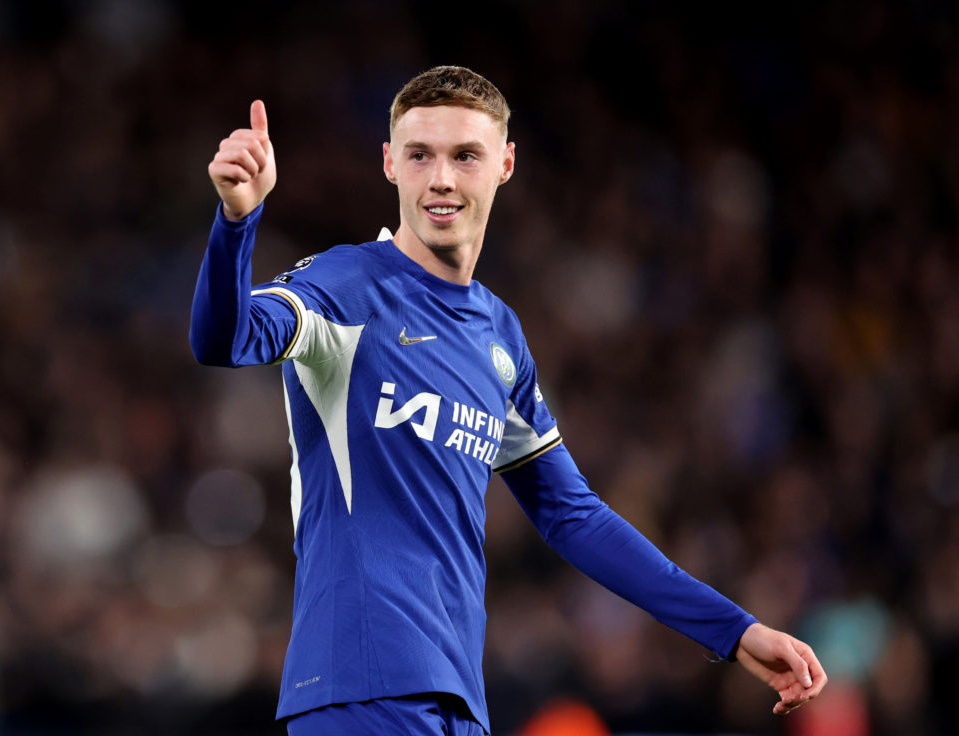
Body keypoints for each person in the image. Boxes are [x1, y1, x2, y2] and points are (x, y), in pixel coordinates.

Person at [190, 66, 827, 735]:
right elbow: (224, 337)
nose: (441, 178)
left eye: (465, 155)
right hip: (355, 691)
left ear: (505, 163)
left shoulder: (499, 336)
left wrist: (736, 630)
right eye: (420, 155)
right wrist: (237, 221)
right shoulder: (346, 286)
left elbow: (571, 514)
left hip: (460, 699)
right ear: (389, 164)